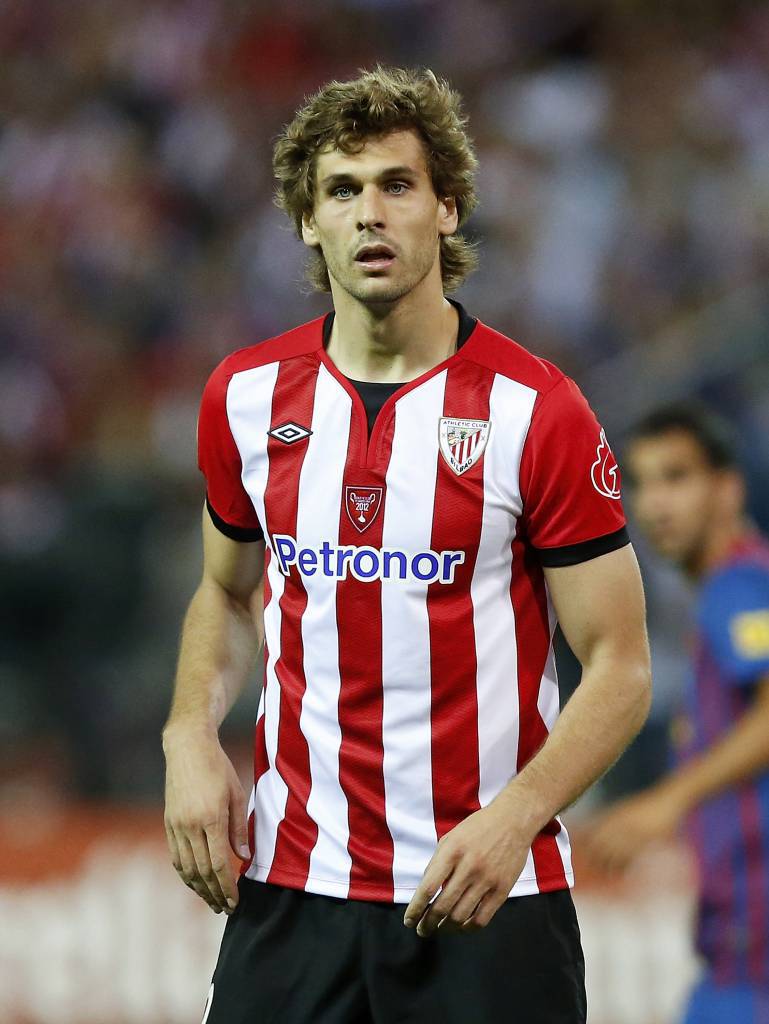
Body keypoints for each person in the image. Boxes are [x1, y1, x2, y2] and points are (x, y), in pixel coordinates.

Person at [162, 65, 651, 1024]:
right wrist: (188, 734)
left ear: (447, 208)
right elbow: (225, 592)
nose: (369, 214)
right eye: (342, 191)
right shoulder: (246, 398)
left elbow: (621, 666)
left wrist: (515, 819)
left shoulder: (536, 411)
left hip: (485, 898)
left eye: (397, 185)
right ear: (309, 221)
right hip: (292, 893)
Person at [585, 403, 769, 1024]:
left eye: (677, 477)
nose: (655, 503)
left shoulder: (739, 588)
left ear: (728, 488)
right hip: (736, 943)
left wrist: (667, 801)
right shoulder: (723, 596)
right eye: (641, 483)